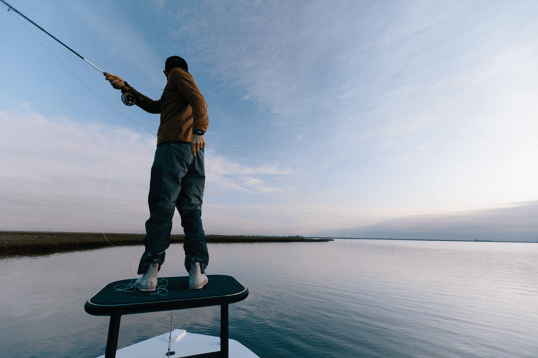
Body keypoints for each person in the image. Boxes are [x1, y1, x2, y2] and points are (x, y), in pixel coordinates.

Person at [104, 56, 209, 291]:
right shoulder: (176, 88)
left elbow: (200, 100)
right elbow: (155, 106)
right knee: (192, 209)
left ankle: (150, 275)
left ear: (165, 72)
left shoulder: (176, 75)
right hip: (194, 152)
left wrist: (200, 129)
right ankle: (196, 273)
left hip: (173, 149)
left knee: (162, 206)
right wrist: (126, 87)